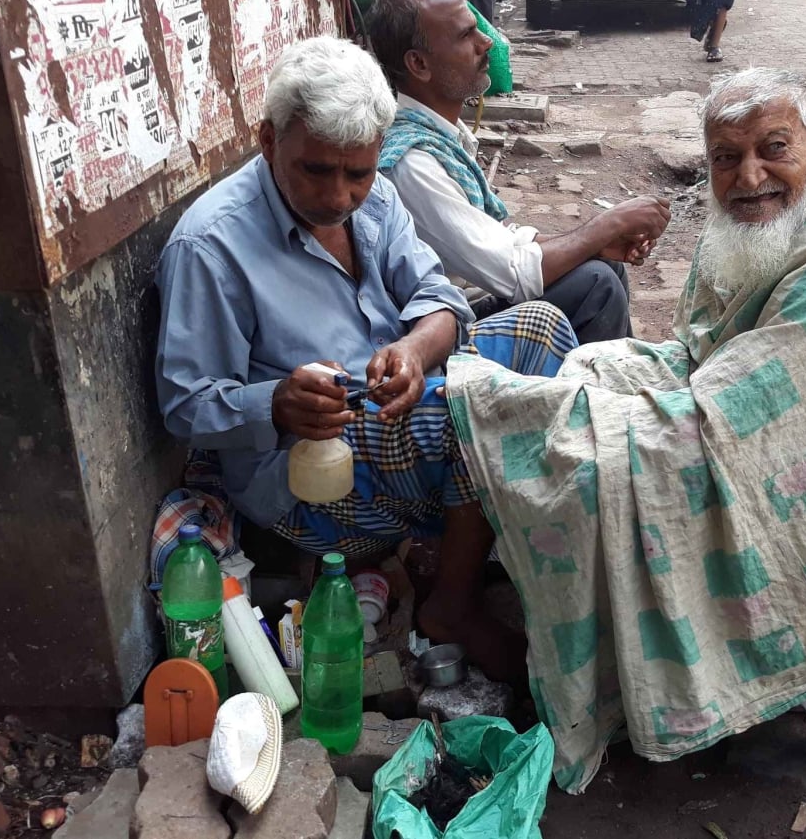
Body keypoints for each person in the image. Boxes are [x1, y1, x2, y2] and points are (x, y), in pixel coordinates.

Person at [444, 69, 806, 795]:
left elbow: (725, 423)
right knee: (585, 372)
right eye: (727, 157)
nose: (748, 176)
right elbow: (712, 350)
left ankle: (683, 680)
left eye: (773, 149)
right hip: (767, 404)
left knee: (585, 459)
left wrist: (517, 407)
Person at [155, 36, 578, 680]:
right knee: (468, 415)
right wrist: (276, 403)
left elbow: (439, 298)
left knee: (543, 328)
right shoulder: (211, 246)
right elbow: (185, 406)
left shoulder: (373, 198)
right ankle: (452, 604)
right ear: (268, 142)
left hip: (396, 400)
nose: (338, 197)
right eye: (316, 171)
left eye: (357, 173)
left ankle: (497, 535)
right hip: (306, 477)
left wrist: (413, 349)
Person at [366, 0, 672, 341]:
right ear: (419, 64)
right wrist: (608, 223)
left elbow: (495, 239)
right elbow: (513, 275)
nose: (486, 42)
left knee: (603, 265)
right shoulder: (411, 163)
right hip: (445, 326)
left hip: (479, 290)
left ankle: (614, 372)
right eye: (466, 35)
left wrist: (595, 242)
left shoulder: (441, 137)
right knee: (595, 284)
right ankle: (594, 378)